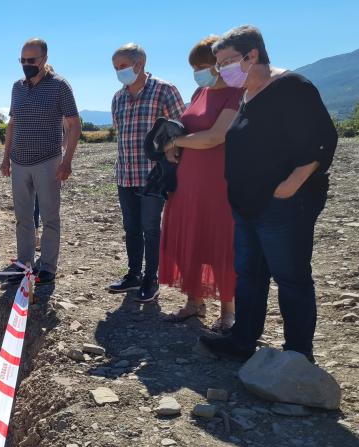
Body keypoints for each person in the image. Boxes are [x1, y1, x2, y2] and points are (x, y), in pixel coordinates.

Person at [199, 25, 337, 362]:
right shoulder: (247, 93)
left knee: (291, 277)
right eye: (218, 64)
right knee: (249, 273)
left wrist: (291, 184)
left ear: (253, 55)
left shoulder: (291, 87)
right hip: (247, 204)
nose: (221, 70)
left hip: (284, 204)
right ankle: (244, 339)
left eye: (226, 61)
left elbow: (323, 141)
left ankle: (298, 353)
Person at [158, 36, 243, 330]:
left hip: (216, 184)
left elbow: (216, 136)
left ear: (220, 65)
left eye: (203, 66)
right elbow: (187, 128)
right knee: (191, 241)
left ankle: (229, 311)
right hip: (186, 183)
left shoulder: (236, 93)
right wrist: (172, 145)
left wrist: (176, 141)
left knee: (219, 243)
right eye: (195, 67)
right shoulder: (199, 92)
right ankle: (194, 303)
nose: (198, 72)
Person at [108, 43, 185, 302]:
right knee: (131, 227)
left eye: (123, 66)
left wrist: (169, 156)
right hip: (125, 173)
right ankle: (133, 275)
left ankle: (151, 279)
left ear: (139, 64)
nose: (119, 72)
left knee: (150, 227)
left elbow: (181, 129)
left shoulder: (164, 91)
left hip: (153, 174)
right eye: (115, 67)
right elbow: (121, 135)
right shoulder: (118, 98)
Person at [2, 38, 82, 284]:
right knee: (23, 217)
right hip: (19, 162)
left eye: (31, 60)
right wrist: (5, 158)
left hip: (48, 160)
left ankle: (48, 266)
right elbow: (12, 124)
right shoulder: (17, 87)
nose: (26, 65)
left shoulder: (60, 86)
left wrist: (67, 160)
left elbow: (73, 124)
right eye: (22, 60)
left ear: (44, 60)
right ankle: (25, 264)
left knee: (49, 216)